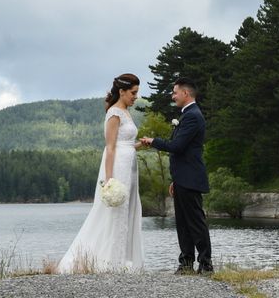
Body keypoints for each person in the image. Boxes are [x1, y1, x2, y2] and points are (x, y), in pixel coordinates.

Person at [58, 73, 144, 273]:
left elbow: (126, 145)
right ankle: (108, 261)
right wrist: (109, 180)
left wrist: (142, 144)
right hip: (118, 167)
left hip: (130, 164)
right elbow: (111, 147)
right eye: (133, 93)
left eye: (137, 93)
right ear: (122, 92)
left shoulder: (126, 112)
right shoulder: (114, 113)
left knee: (127, 212)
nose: (135, 97)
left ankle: (121, 261)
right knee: (115, 213)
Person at [141, 77, 213, 275]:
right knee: (183, 223)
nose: (172, 96)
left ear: (185, 93)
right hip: (183, 178)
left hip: (190, 178)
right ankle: (186, 263)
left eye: (174, 92)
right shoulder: (188, 115)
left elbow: (177, 147)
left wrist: (153, 140)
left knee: (196, 222)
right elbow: (183, 152)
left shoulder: (192, 116)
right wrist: (176, 179)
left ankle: (206, 264)